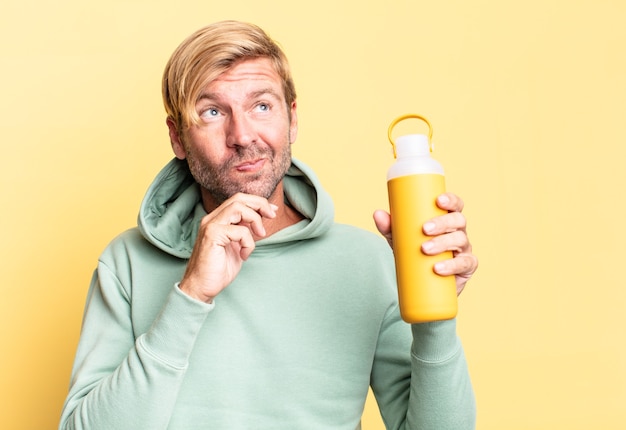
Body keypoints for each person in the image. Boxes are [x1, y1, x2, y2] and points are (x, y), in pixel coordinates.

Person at [59, 20, 478, 430]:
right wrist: (189, 295)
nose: (242, 135)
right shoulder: (127, 263)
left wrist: (435, 317)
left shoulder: (369, 262)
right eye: (211, 112)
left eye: (261, 105)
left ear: (291, 118)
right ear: (177, 137)